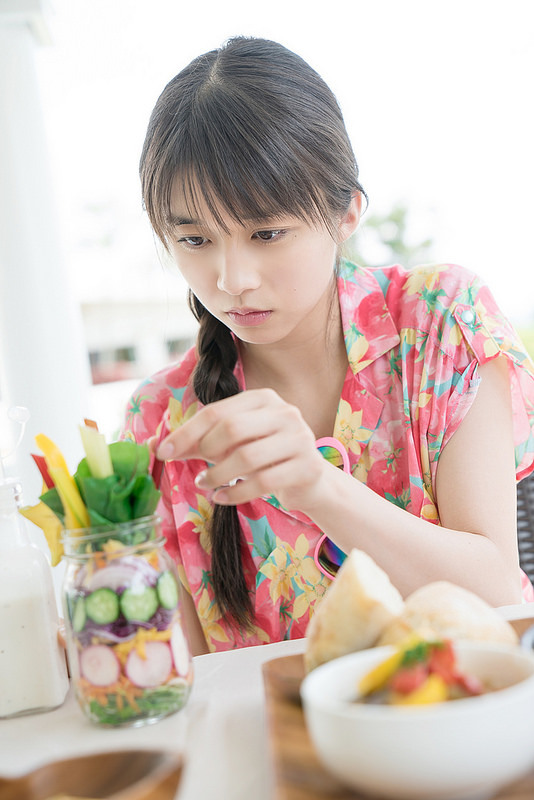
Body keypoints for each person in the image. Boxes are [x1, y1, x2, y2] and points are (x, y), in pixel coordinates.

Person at [122, 36, 534, 655]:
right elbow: (186, 681)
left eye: (267, 232)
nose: (233, 280)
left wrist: (317, 486)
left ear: (347, 213)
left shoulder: (441, 321)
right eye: (195, 240)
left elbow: (501, 600)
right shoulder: (161, 419)